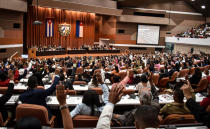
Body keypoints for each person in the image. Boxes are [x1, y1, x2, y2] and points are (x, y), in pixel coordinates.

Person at [96, 85, 160, 129]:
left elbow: (126, 121)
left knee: (110, 114)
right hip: (127, 115)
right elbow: (156, 96)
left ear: (136, 125)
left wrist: (116, 115)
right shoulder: (157, 106)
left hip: (125, 118)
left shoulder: (135, 112)